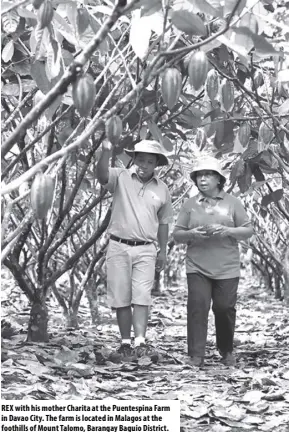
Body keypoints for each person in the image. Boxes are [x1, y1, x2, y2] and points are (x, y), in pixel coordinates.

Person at [173, 156, 253, 367]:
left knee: (224, 308)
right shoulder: (189, 205)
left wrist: (227, 230)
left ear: (219, 179)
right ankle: (196, 355)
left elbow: (247, 230)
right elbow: (177, 234)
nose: (203, 179)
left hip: (227, 267)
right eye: (199, 175)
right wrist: (192, 234)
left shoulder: (233, 203)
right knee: (197, 307)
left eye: (208, 174)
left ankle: (226, 350)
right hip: (197, 265)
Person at [96, 139, 173, 357]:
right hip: (119, 245)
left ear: (156, 163)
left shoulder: (163, 189)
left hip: (146, 248)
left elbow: (164, 221)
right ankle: (125, 342)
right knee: (121, 296)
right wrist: (105, 152)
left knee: (142, 296)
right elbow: (101, 176)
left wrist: (163, 251)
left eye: (149, 161)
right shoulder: (120, 177)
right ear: (133, 159)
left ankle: (140, 342)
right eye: (140, 160)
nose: (144, 165)